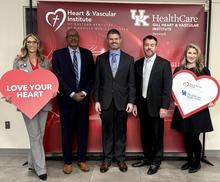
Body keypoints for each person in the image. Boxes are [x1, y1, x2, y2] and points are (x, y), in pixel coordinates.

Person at [52, 29, 95, 174]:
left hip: (83, 100)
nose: (73, 38)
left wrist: (83, 92)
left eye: (75, 36)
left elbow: (92, 77)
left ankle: (82, 160)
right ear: (66, 38)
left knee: (83, 131)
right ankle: (67, 162)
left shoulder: (87, 54)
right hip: (66, 100)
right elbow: (58, 77)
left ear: (78, 38)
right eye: (70, 36)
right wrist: (71, 94)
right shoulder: (58, 55)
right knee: (66, 132)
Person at [10, 33, 52, 180]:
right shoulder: (19, 61)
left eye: (34, 42)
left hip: (44, 103)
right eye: (29, 42)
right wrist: (11, 96)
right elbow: (13, 82)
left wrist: (53, 91)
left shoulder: (44, 60)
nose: (32, 45)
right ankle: (41, 169)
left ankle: (32, 163)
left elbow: (49, 81)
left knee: (39, 134)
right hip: (27, 104)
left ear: (38, 44)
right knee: (35, 135)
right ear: (25, 44)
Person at [94, 29, 136, 173]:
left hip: (123, 102)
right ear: (107, 40)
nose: (113, 41)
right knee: (107, 132)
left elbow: (131, 83)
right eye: (111, 39)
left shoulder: (129, 59)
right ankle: (106, 159)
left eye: (116, 39)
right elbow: (97, 82)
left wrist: (131, 101)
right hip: (105, 101)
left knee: (121, 131)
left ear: (120, 40)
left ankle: (120, 159)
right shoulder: (100, 59)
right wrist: (96, 100)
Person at [132, 35, 172, 175]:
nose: (149, 47)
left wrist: (164, 106)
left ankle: (156, 161)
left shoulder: (164, 64)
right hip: (142, 105)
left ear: (156, 47)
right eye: (146, 44)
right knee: (145, 134)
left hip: (157, 106)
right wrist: (135, 104)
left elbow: (167, 88)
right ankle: (147, 158)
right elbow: (136, 87)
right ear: (143, 46)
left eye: (152, 45)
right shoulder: (137, 64)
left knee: (157, 135)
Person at [171, 43, 213, 173]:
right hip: (183, 109)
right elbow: (174, 89)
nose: (192, 55)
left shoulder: (204, 70)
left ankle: (197, 162)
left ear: (198, 55)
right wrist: (175, 100)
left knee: (194, 137)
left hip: (199, 110)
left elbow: (209, 89)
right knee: (186, 136)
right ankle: (189, 161)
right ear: (185, 54)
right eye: (190, 53)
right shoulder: (179, 70)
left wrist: (211, 100)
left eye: (195, 53)